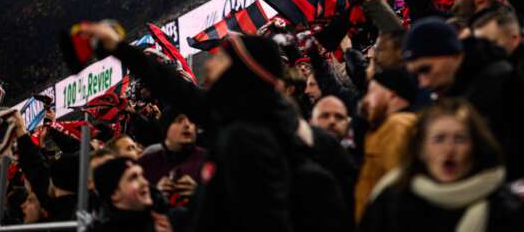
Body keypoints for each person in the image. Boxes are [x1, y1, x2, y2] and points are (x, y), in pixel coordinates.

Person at [78, 23, 348, 232]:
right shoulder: (237, 116)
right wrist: (118, 47)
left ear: (241, 71)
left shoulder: (250, 136)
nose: (210, 63)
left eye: (221, 58)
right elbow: (172, 86)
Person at [359, 98, 523, 232]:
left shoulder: (502, 207)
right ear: (421, 150)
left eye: (460, 139)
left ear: (476, 147)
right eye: (439, 139)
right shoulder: (391, 200)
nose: (449, 150)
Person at [403, 17, 524, 178]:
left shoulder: (500, 82)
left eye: (425, 69)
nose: (422, 82)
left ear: (454, 56)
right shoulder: (447, 91)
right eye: (416, 75)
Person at [354, 67, 418, 221]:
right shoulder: (386, 126)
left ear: (392, 95)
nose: (366, 99)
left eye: (372, 92)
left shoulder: (397, 126)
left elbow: (396, 191)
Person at [138, 107, 206, 208]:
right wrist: (155, 195)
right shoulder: (146, 163)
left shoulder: (207, 159)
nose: (187, 125)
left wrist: (200, 193)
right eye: (179, 121)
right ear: (166, 127)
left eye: (191, 121)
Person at [89, 157, 173, 232]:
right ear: (114, 194)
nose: (145, 182)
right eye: (133, 178)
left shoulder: (170, 218)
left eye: (142, 175)